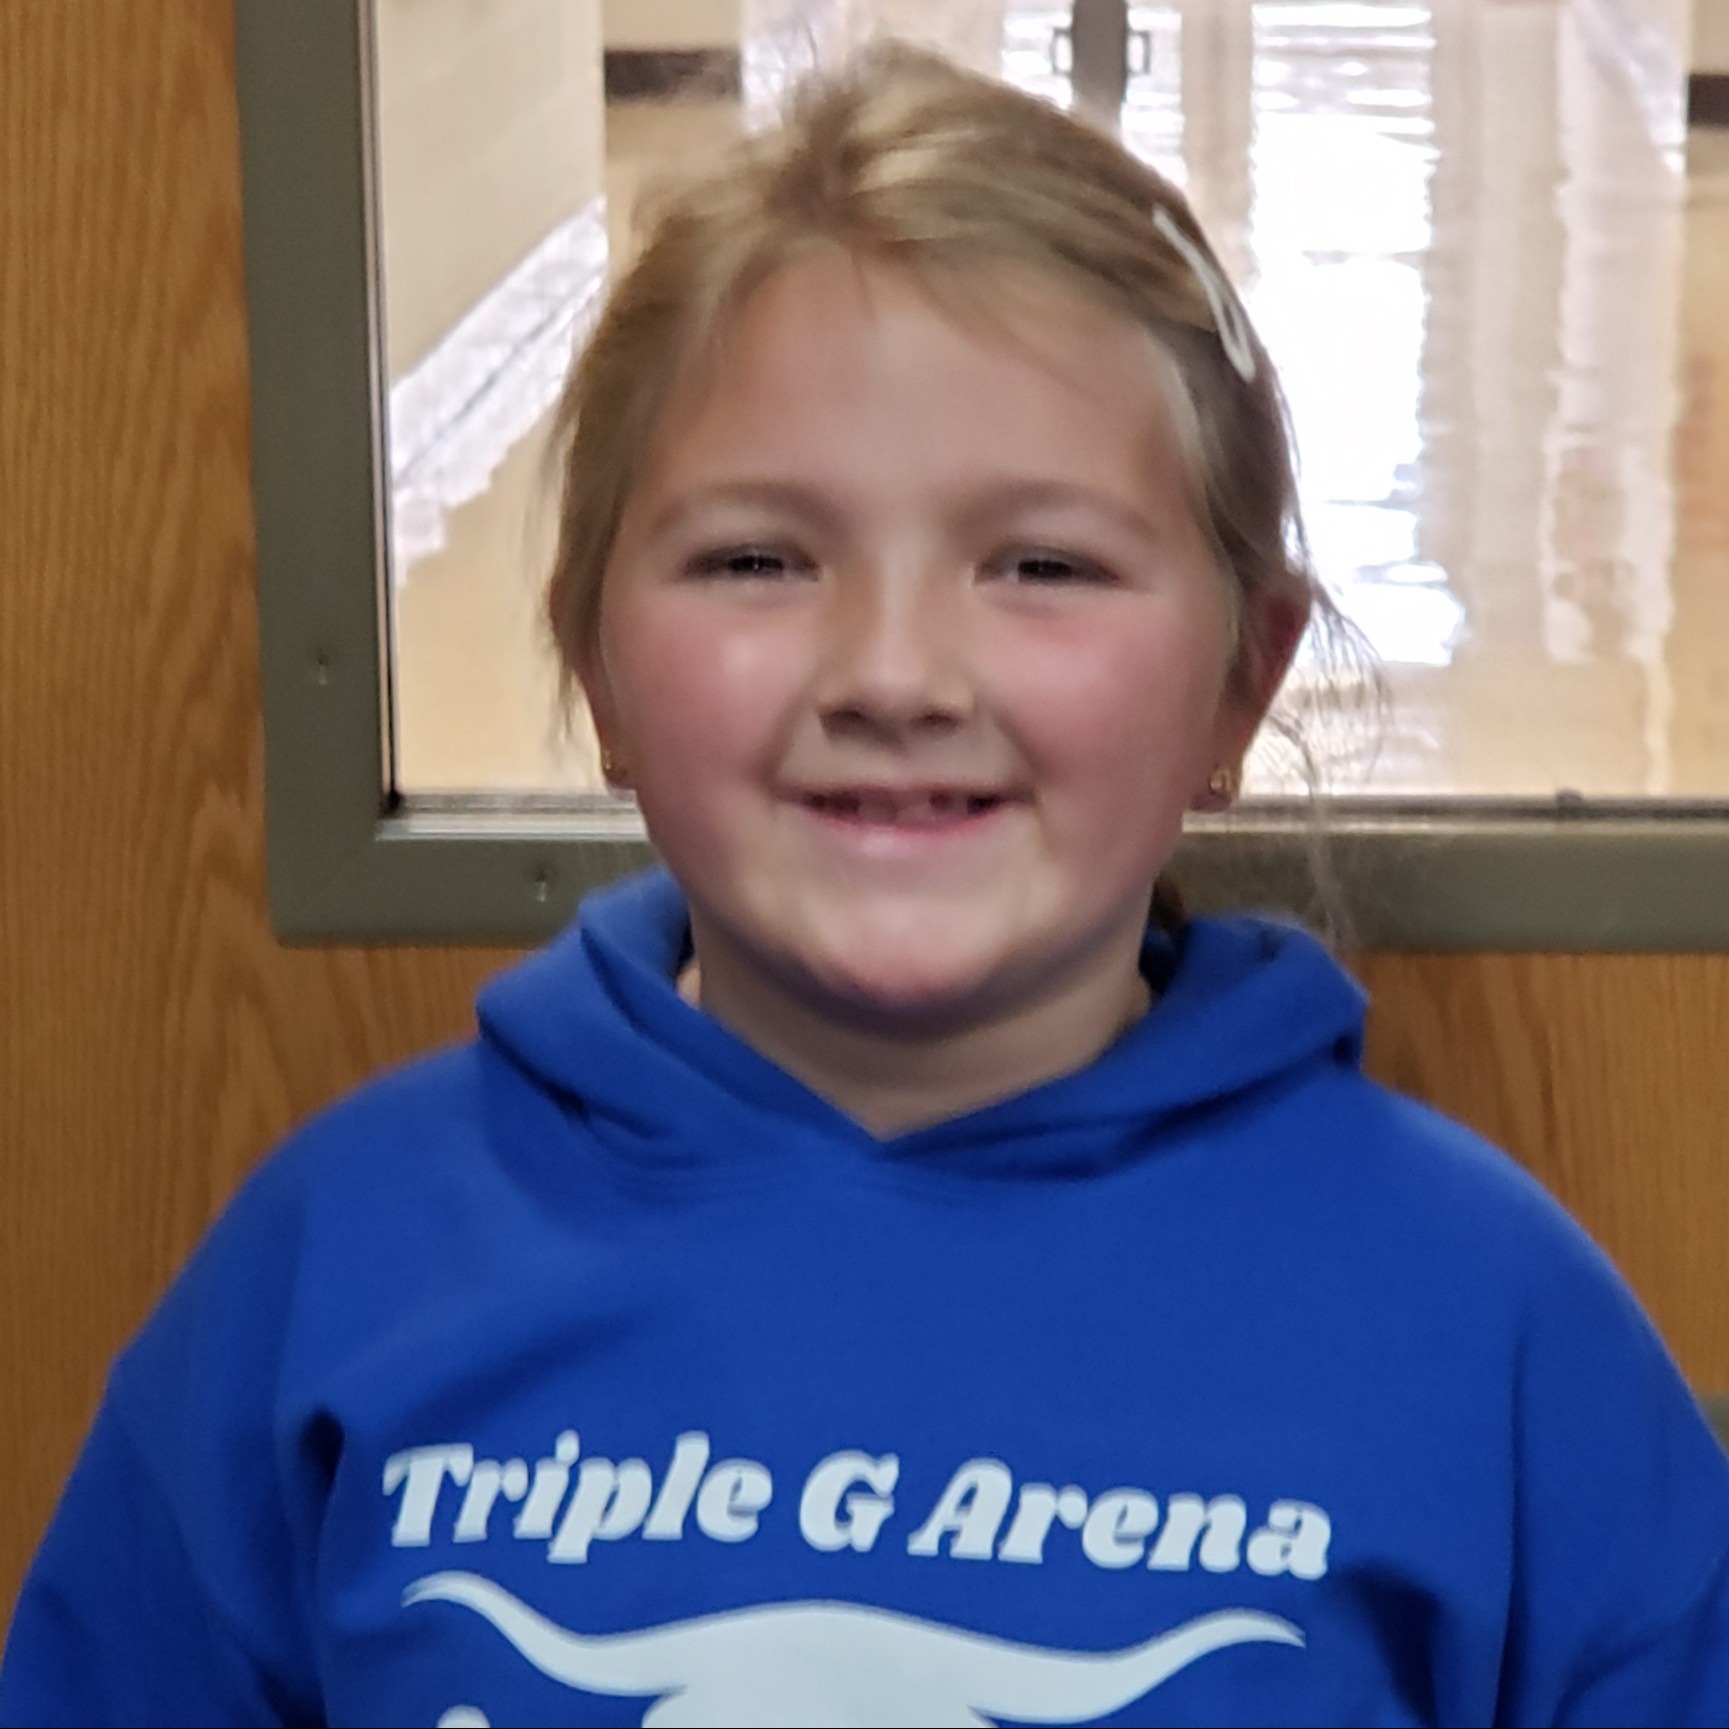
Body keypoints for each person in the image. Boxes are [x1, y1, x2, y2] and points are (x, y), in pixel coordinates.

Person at [5, 41, 1728, 1729]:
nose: (893, 671)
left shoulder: (1489, 1329)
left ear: (1240, 682)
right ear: (596, 664)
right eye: (757, 558)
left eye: (1040, 564)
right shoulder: (339, 1268)